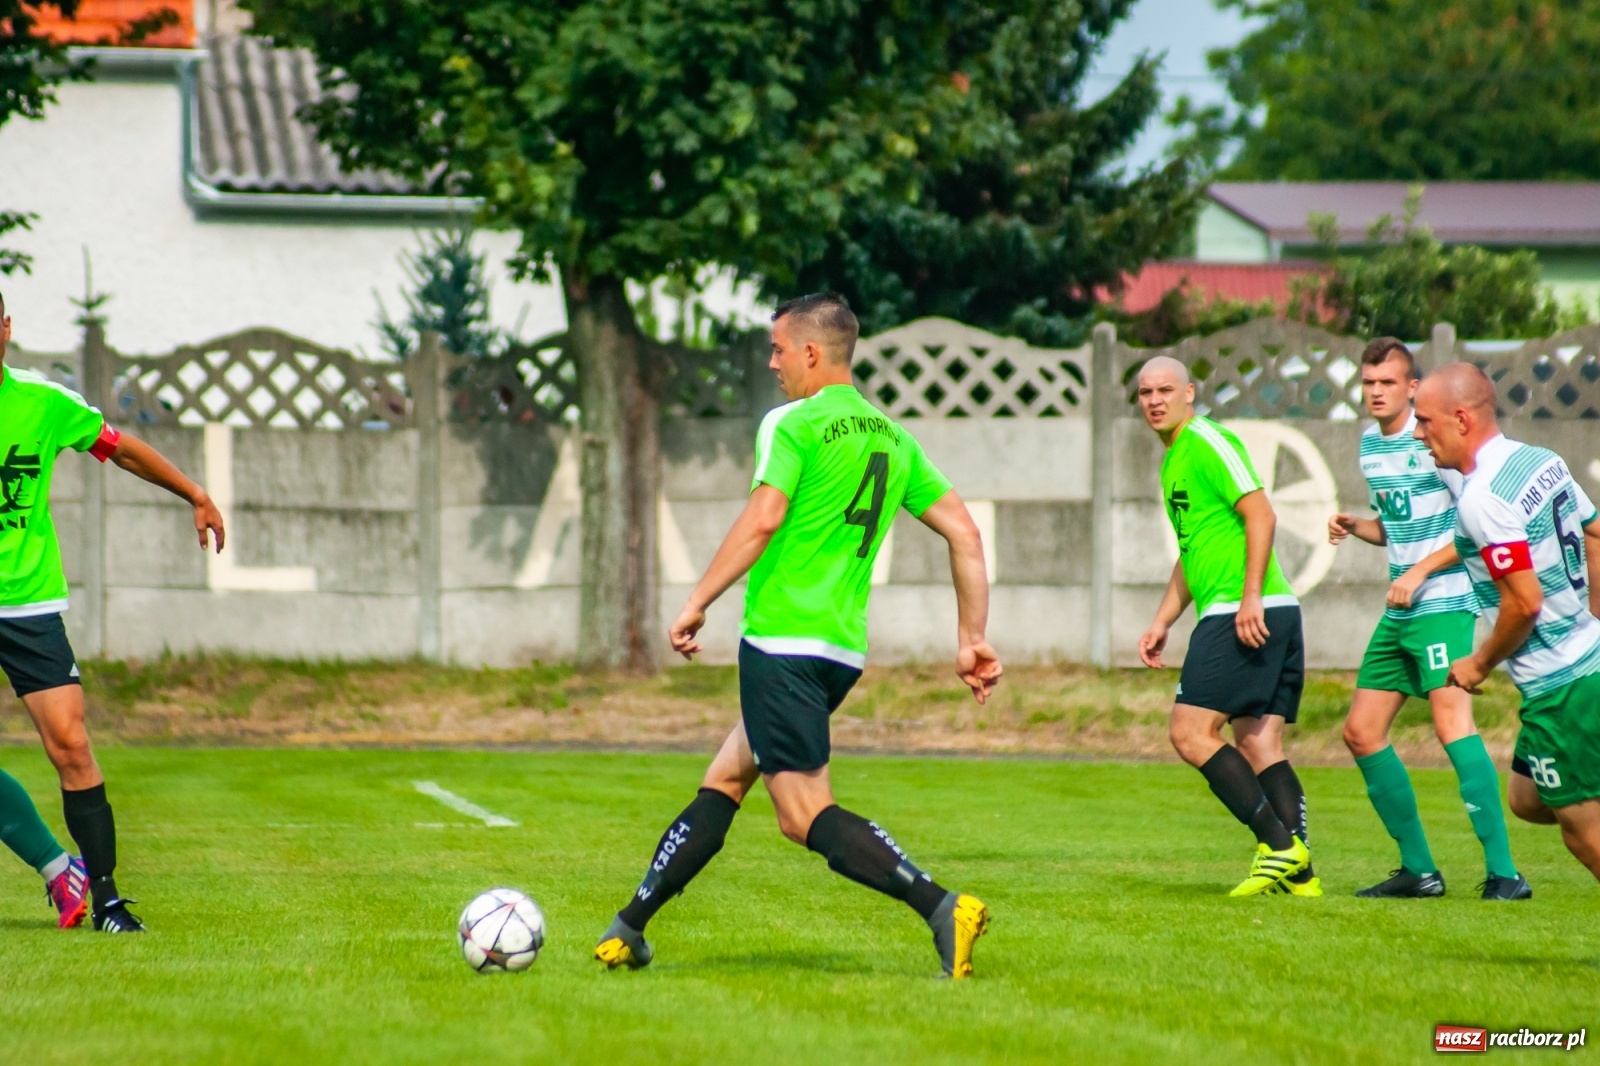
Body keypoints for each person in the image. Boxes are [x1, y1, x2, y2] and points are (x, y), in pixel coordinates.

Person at [593, 293, 1003, 977]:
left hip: (781, 643)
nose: (772, 361)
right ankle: (629, 927)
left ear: (812, 353)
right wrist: (972, 638)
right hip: (838, 652)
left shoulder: (794, 424)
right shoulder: (894, 437)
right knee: (726, 777)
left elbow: (761, 520)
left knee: (802, 814)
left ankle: (942, 905)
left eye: (779, 348)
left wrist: (696, 601)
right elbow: (964, 531)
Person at [0, 289, 225, 931]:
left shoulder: (43, 404)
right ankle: (55, 867)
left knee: (70, 744)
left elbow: (119, 447)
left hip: (27, 604)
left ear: (6, 327)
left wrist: (194, 492)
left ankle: (106, 899)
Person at [1329, 339, 1525, 900]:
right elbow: (1397, 528)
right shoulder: (1370, 446)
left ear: (1413, 388)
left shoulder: (1435, 441)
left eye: (1387, 383)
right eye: (1368, 383)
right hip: (1401, 609)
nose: (1375, 393)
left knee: (1451, 725)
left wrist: (1417, 572)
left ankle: (1505, 872)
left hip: (1443, 602)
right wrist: (1357, 525)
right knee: (1360, 733)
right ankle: (1419, 870)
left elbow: (1469, 528)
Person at [1135, 356, 1317, 897]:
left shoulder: (1207, 441)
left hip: (1245, 610)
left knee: (1189, 732)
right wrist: (1163, 619)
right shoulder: (1173, 461)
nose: (1154, 400)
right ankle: (1301, 878)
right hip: (1257, 608)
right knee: (1260, 743)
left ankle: (1278, 846)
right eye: (1145, 393)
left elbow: (1262, 513)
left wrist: (1249, 598)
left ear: (1189, 392)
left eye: (1165, 389)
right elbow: (1192, 553)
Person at [1414, 363, 1600, 884]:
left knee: (1583, 833)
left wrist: (1478, 664)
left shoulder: (1484, 498)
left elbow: (1523, 603)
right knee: (1526, 797)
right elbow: (1596, 532)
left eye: (1425, 421)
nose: (1418, 433)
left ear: (1461, 419)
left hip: (1562, 685)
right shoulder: (1539, 460)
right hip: (1588, 660)